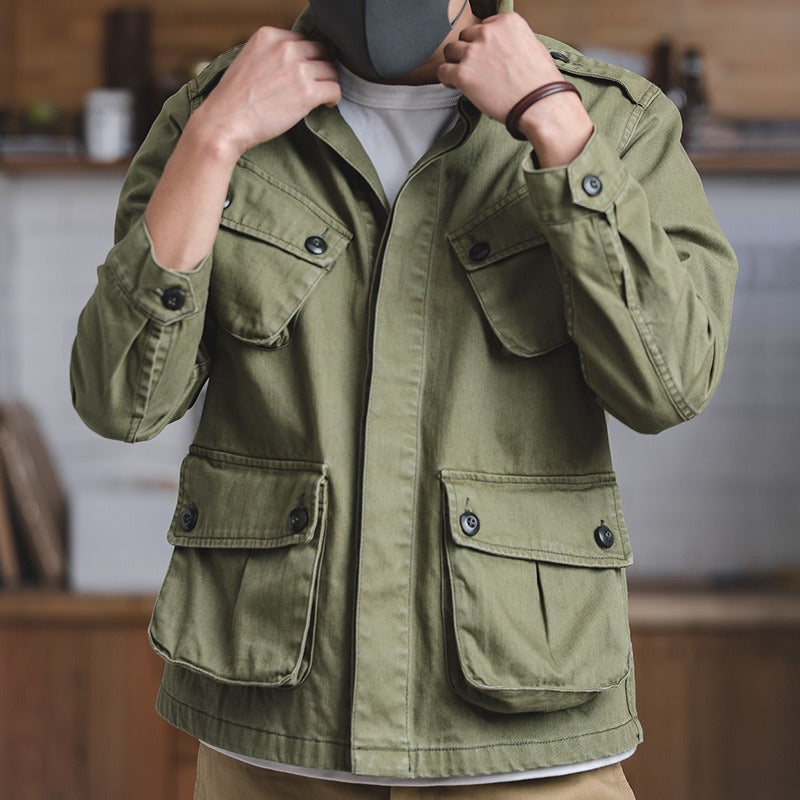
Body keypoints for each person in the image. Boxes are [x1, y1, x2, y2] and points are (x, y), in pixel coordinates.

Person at [70, 0, 737, 797]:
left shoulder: (611, 117)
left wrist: (557, 125)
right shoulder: (209, 113)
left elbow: (671, 384)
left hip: (523, 738)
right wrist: (214, 142)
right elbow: (120, 398)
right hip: (276, 742)